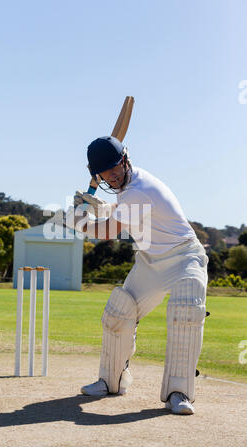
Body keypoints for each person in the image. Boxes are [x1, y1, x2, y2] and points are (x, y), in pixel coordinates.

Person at [66, 136, 209, 415]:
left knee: (185, 312)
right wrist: (97, 207)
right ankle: (111, 381)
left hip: (184, 257)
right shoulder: (128, 189)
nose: (114, 174)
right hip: (150, 262)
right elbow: (125, 212)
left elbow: (108, 231)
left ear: (125, 159)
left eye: (116, 166)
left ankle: (178, 393)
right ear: (97, 174)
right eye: (106, 171)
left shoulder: (139, 188)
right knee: (120, 312)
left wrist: (78, 220)